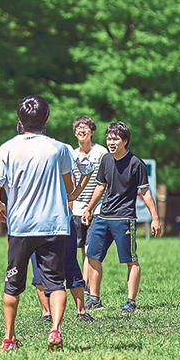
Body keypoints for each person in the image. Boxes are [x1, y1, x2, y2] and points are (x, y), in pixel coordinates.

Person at [0, 95, 73, 353]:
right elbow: (69, 188)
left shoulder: (8, 148)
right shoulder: (60, 148)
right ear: (47, 118)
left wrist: (0, 208)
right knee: (55, 283)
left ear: (19, 120)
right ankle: (55, 329)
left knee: (13, 284)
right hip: (54, 224)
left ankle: (9, 338)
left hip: (20, 226)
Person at [16, 122, 96, 323]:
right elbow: (87, 167)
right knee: (69, 262)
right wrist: (74, 192)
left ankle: (48, 313)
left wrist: (74, 193)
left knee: (40, 266)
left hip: (32, 221)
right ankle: (80, 312)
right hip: (60, 217)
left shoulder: (15, 152)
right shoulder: (60, 148)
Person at [82, 121, 162, 313]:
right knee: (92, 256)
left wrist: (155, 218)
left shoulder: (137, 164)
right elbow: (100, 187)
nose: (111, 142)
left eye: (115, 138)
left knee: (130, 260)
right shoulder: (106, 160)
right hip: (103, 216)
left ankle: (130, 301)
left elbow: (146, 192)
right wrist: (89, 208)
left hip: (124, 218)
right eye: (109, 138)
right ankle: (94, 297)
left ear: (125, 141)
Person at [71, 116, 108, 295]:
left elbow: (104, 182)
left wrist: (91, 207)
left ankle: (85, 286)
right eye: (78, 127)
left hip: (96, 208)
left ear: (92, 132)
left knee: (89, 247)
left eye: (85, 127)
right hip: (76, 208)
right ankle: (83, 283)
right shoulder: (71, 154)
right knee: (80, 249)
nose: (81, 130)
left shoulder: (101, 153)